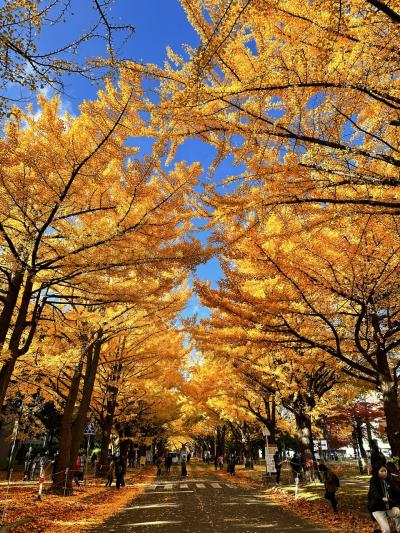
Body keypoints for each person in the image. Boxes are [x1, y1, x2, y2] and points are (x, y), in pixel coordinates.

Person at [368, 465, 400, 533]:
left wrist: (393, 501)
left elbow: (397, 491)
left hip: (389, 507)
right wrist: (382, 498)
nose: (384, 472)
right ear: (377, 472)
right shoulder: (373, 480)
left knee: (398, 512)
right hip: (377, 509)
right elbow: (374, 493)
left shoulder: (389, 480)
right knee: (386, 530)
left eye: (385, 471)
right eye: (381, 471)